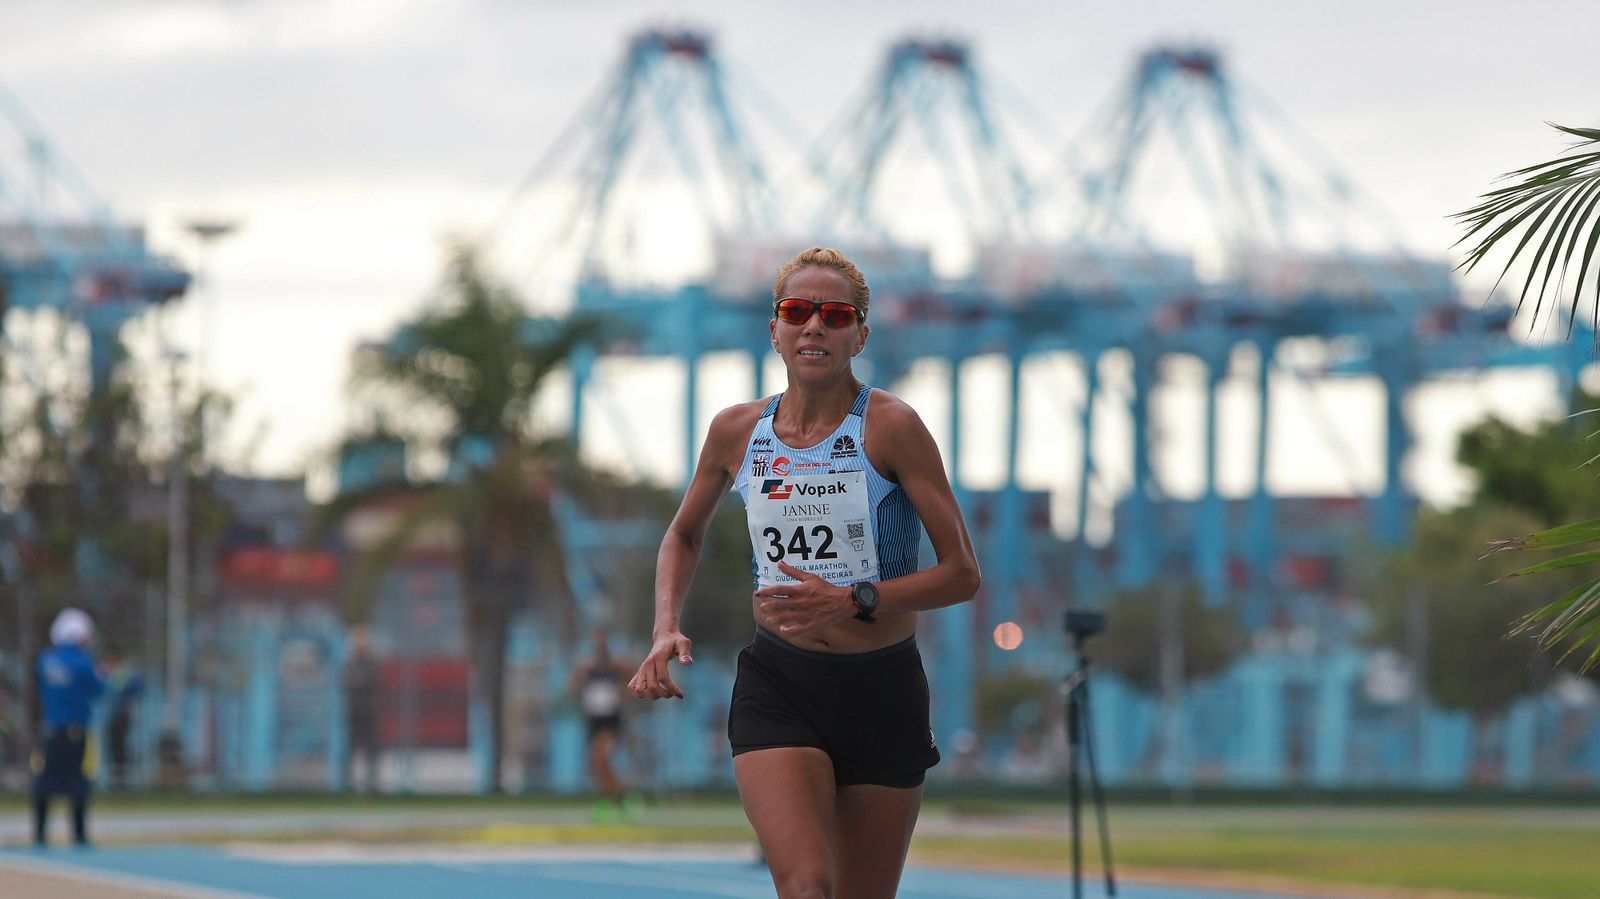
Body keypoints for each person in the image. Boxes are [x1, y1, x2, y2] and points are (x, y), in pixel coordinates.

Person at [629, 247, 981, 898]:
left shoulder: (892, 427)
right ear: (775, 330)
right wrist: (663, 625)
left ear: (860, 334)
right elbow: (683, 532)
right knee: (805, 885)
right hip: (781, 683)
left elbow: (962, 573)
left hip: (883, 689)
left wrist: (856, 598)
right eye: (796, 311)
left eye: (834, 314)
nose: (813, 325)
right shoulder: (737, 430)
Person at [31, 607, 104, 848]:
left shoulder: (46, 660)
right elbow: (98, 690)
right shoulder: (84, 663)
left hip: (50, 730)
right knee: (78, 781)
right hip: (76, 732)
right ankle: (79, 835)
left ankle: (40, 835)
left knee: (43, 781)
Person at [567, 627, 635, 824]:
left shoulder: (616, 667)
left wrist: (624, 693)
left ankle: (616, 799)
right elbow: (572, 687)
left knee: (601, 757)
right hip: (593, 721)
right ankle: (615, 798)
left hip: (610, 721)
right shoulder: (588, 669)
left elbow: (633, 675)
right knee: (597, 764)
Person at [341, 628, 382, 793]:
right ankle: (349, 782)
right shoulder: (349, 664)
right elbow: (347, 682)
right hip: (352, 712)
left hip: (368, 711)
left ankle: (371, 782)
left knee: (371, 748)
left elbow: (369, 682)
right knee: (350, 748)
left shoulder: (371, 664)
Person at [101, 646, 144, 790]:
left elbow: (134, 689)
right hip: (113, 716)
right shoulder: (111, 672)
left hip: (120, 716)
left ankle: (121, 777)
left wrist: (128, 705)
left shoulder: (122, 673)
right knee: (114, 746)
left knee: (120, 746)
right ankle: (117, 775)